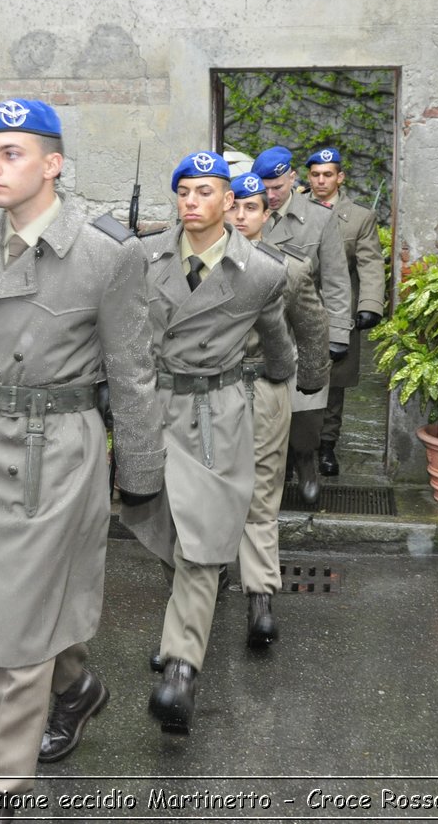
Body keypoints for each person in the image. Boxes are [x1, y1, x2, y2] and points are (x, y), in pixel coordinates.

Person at [0, 98, 164, 821]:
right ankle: (75, 687)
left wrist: (140, 477)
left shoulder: (107, 253)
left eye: (12, 153)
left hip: (55, 446)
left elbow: (132, 373)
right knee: (17, 599)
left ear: (53, 164)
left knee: (19, 616)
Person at [123, 151, 294, 735]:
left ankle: (180, 670)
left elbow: (277, 345)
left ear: (231, 202)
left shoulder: (263, 273)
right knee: (167, 529)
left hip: (215, 415)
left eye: (204, 192)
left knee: (200, 546)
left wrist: (275, 390)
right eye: (184, 192)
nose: (191, 202)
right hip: (152, 408)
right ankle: (183, 623)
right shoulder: (141, 258)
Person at [227, 172, 329, 647]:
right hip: (208, 395)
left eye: (252, 208)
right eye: (235, 207)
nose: (242, 217)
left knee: (262, 496)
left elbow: (311, 326)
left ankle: (260, 598)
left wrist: (310, 379)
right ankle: (191, 605)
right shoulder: (202, 265)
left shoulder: (288, 268)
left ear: (268, 215)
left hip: (265, 389)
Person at [251, 146, 352, 506]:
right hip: (261, 331)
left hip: (304, 328)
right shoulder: (247, 211)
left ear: (293, 179)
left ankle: (306, 459)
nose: (271, 195)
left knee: (307, 405)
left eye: (278, 186)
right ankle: (272, 472)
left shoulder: (319, 218)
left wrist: (339, 332)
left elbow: (338, 280)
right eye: (265, 187)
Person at [303, 146, 388, 477]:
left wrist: (370, 304)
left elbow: (369, 262)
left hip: (338, 311)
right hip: (298, 308)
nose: (321, 181)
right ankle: (298, 449)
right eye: (315, 175)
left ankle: (326, 447)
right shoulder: (295, 210)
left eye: (328, 174)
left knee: (333, 385)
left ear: (340, 177)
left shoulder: (359, 217)